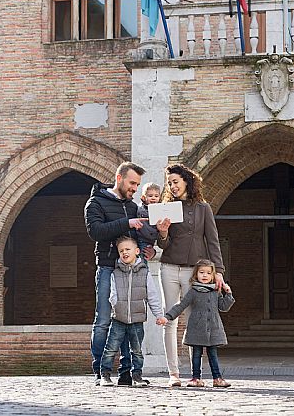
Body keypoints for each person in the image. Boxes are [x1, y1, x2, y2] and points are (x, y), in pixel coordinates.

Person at [156, 163, 227, 387]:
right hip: (168, 267)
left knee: (193, 321)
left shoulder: (203, 208)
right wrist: (163, 232)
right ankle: (173, 374)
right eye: (169, 183)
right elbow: (163, 244)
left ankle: (195, 375)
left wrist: (219, 272)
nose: (172, 186)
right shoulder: (167, 206)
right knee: (170, 320)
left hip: (193, 271)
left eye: (175, 181)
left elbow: (213, 242)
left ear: (187, 180)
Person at [84, 161, 154, 386]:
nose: (135, 188)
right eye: (132, 183)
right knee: (104, 320)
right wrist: (127, 222)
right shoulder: (95, 202)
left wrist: (148, 249)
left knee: (129, 319)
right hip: (107, 267)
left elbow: (138, 237)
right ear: (119, 179)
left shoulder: (133, 206)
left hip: (131, 269)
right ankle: (100, 371)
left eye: (137, 184)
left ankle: (126, 373)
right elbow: (95, 232)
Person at [158, 259, 235, 388]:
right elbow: (181, 305)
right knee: (196, 354)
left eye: (208, 273)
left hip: (213, 329)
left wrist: (228, 293)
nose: (204, 275)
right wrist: (168, 317)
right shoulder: (193, 291)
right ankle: (195, 378)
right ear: (196, 274)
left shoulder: (216, 291)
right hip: (196, 329)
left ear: (213, 275)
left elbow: (223, 307)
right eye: (201, 272)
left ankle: (217, 378)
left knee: (213, 355)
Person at [100, 236, 165, 387]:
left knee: (136, 351)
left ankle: (137, 376)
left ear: (137, 251)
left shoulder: (145, 273)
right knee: (111, 348)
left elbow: (152, 295)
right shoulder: (115, 272)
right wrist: (115, 304)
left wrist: (159, 315)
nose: (124, 252)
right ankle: (105, 375)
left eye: (127, 249)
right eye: (121, 250)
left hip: (137, 320)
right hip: (118, 319)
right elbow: (112, 293)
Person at [137, 182, 161, 257]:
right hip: (142, 239)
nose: (153, 198)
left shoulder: (159, 209)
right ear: (144, 197)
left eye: (156, 196)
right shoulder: (141, 210)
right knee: (142, 258)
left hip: (151, 241)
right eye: (150, 196)